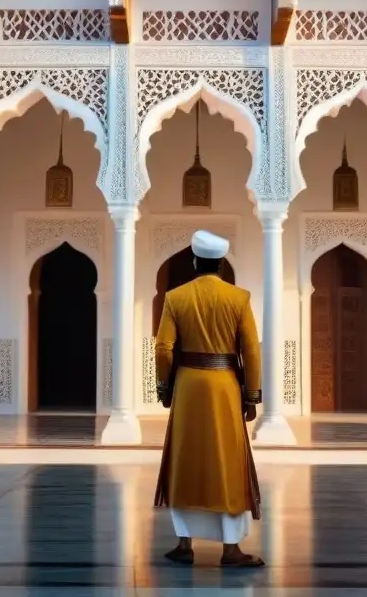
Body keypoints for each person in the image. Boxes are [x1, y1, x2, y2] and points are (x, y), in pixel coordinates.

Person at [153, 230, 264, 568]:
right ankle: (231, 550)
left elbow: (163, 348)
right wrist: (251, 396)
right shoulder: (239, 298)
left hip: (188, 386)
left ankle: (184, 544)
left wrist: (166, 387)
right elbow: (252, 351)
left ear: (195, 262)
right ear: (221, 265)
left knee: (186, 461)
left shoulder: (176, 297)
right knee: (226, 462)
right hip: (226, 388)